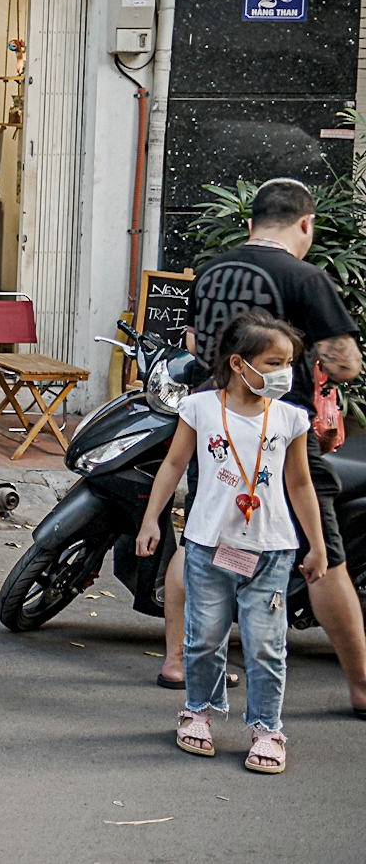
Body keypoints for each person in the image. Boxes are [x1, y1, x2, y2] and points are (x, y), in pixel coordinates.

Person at [163, 177, 366, 713]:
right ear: (306, 224)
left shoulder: (211, 271)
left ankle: (177, 661)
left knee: (201, 538)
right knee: (323, 554)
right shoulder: (306, 277)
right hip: (279, 434)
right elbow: (344, 363)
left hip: (215, 428)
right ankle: (363, 686)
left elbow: (192, 342)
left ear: (251, 223)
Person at [137, 310, 325, 772]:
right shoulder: (200, 408)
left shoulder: (291, 419)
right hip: (208, 545)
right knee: (204, 637)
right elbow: (174, 466)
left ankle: (267, 728)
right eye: (275, 361)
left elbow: (301, 485)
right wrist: (151, 520)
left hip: (272, 549)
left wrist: (316, 544)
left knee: (265, 642)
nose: (284, 372)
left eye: (289, 362)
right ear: (240, 364)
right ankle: (197, 712)